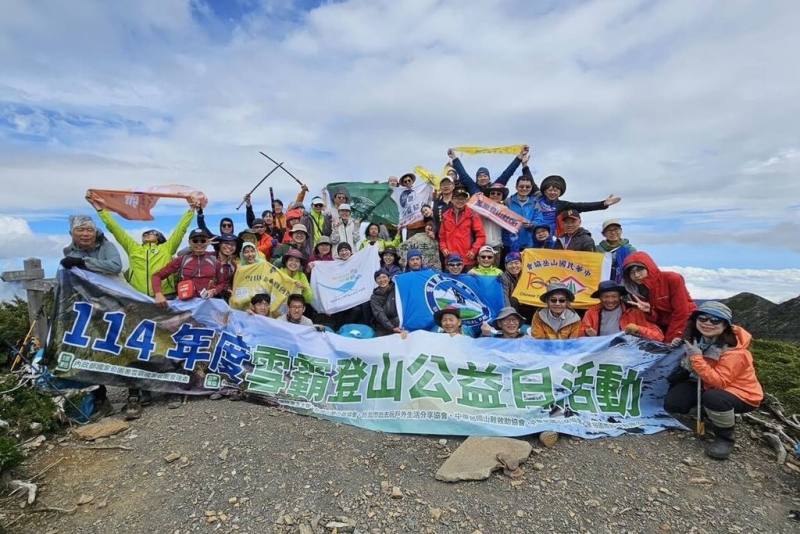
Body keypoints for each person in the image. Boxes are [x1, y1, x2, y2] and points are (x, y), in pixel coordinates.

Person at [664, 302, 763, 460]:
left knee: (714, 398)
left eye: (715, 320)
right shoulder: (696, 340)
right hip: (705, 383)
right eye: (703, 318)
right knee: (674, 403)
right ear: (695, 321)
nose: (708, 323)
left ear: (725, 325)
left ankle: (725, 438)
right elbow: (693, 368)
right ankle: (706, 411)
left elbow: (720, 381)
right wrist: (678, 346)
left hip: (741, 394)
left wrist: (696, 357)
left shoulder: (735, 351)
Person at [88, 194, 195, 296]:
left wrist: (191, 210)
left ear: (159, 239)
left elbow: (180, 229)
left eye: (152, 233)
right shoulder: (133, 248)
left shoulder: (167, 247)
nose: (147, 234)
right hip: (138, 296)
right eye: (145, 234)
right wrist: (100, 209)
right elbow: (115, 229)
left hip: (165, 295)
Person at [622, 251, 696, 345]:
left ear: (649, 267)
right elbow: (657, 318)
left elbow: (681, 312)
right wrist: (649, 311)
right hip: (665, 326)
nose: (636, 275)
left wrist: (670, 339)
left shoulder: (672, 279)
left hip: (686, 323)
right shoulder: (637, 290)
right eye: (632, 272)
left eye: (639, 270)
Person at [152, 228, 225, 306]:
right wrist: (158, 293)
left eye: (203, 241)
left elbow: (222, 283)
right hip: (186, 304)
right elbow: (157, 276)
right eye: (195, 241)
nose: (199, 243)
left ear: (207, 242)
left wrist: (214, 291)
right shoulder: (181, 259)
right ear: (189, 242)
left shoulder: (214, 261)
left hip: (208, 304)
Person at [531, 174, 621, 236]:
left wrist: (603, 204)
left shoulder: (562, 204)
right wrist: (524, 165)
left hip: (549, 235)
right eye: (550, 190)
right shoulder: (538, 196)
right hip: (532, 230)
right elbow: (531, 181)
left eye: (556, 191)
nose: (553, 193)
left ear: (560, 192)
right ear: (544, 190)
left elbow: (581, 206)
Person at [580, 281, 664, 341]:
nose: (610, 300)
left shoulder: (634, 312)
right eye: (605, 297)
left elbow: (659, 336)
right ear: (600, 298)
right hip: (600, 355)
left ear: (620, 297)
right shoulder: (591, 313)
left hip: (627, 356)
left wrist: (638, 329)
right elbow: (578, 339)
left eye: (614, 296)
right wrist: (588, 335)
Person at [439, 186, 486, 269]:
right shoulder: (445, 216)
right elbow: (442, 237)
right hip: (451, 260)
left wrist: (474, 250)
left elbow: (481, 236)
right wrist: (443, 248)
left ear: (466, 200)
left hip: (468, 260)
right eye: (457, 198)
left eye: (462, 199)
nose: (460, 201)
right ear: (452, 200)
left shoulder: (473, 215)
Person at [449, 146, 528, 192]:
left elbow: (507, 174)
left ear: (489, 178)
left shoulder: (495, 188)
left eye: (485, 176)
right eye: (480, 176)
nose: (483, 178)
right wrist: (454, 157)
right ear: (476, 179)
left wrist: (519, 157)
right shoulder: (473, 188)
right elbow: (463, 175)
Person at [502, 172, 538, 252]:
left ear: (531, 188)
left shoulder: (535, 203)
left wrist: (532, 225)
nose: (524, 189)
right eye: (521, 186)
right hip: (509, 244)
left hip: (528, 244)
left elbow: (539, 220)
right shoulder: (507, 202)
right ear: (516, 187)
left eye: (527, 187)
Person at [596, 219, 636, 283]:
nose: (613, 232)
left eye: (616, 229)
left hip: (625, 285)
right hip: (602, 285)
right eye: (609, 230)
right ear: (603, 234)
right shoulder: (597, 250)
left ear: (621, 231)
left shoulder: (630, 250)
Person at [370, 269, 402, 336]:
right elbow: (379, 314)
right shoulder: (374, 297)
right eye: (379, 278)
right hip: (383, 325)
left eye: (384, 277)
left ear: (389, 278)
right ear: (376, 281)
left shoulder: (397, 289)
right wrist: (392, 327)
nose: (382, 280)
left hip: (399, 320)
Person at [215, 234, 238, 302]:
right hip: (204, 298)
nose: (229, 246)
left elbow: (230, 282)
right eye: (226, 243)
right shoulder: (209, 257)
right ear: (220, 245)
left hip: (223, 300)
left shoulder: (234, 265)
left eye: (233, 244)